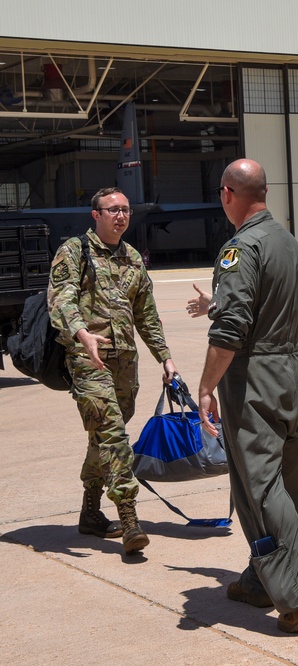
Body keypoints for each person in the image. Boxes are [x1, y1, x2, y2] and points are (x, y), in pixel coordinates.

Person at [196, 158, 298, 633]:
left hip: (252, 373)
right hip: (289, 369)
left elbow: (232, 328)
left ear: (228, 194)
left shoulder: (241, 248)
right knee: (286, 478)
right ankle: (261, 579)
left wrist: (207, 385)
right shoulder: (289, 244)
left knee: (259, 486)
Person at [49, 186, 177, 556]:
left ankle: (90, 512)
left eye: (125, 210)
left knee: (104, 437)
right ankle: (129, 516)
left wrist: (165, 357)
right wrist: (82, 334)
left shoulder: (133, 258)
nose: (120, 216)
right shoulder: (75, 251)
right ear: (96, 215)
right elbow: (60, 297)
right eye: (112, 210)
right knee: (114, 434)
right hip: (88, 360)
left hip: (125, 363)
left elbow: (146, 315)